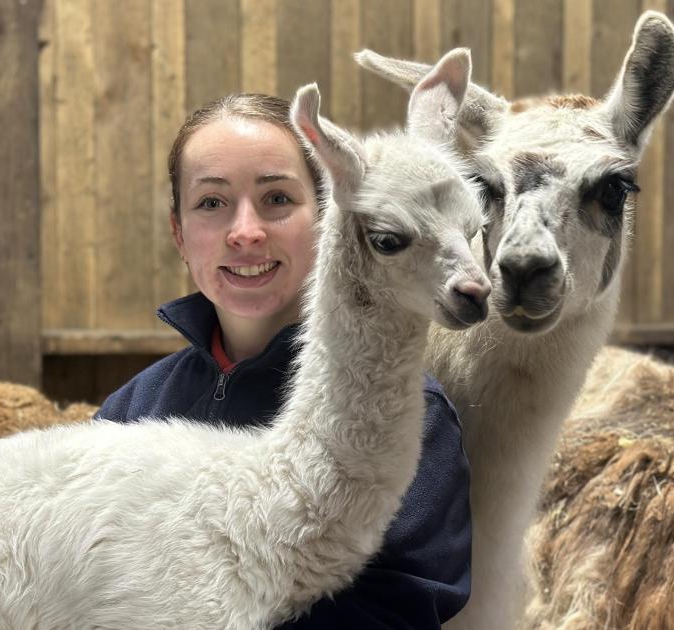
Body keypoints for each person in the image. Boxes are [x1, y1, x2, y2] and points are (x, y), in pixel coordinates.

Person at [95, 93, 472, 628]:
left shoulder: (404, 418)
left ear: (326, 218)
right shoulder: (134, 408)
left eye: (276, 199)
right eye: (212, 203)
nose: (246, 231)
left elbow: (397, 607)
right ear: (180, 234)